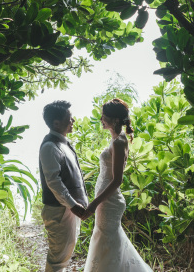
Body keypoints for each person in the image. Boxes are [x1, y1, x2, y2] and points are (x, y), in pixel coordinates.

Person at [82, 98, 153, 272]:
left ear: (114, 120)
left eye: (103, 116)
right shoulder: (116, 139)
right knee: (107, 243)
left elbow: (117, 180)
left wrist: (94, 203)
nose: (101, 120)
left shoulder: (119, 142)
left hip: (109, 202)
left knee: (107, 244)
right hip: (106, 201)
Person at [39, 100, 89, 272]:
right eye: (70, 118)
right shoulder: (50, 147)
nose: (73, 121)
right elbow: (53, 182)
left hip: (67, 210)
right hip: (60, 211)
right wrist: (73, 205)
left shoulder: (62, 144)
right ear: (56, 123)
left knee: (64, 256)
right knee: (58, 259)